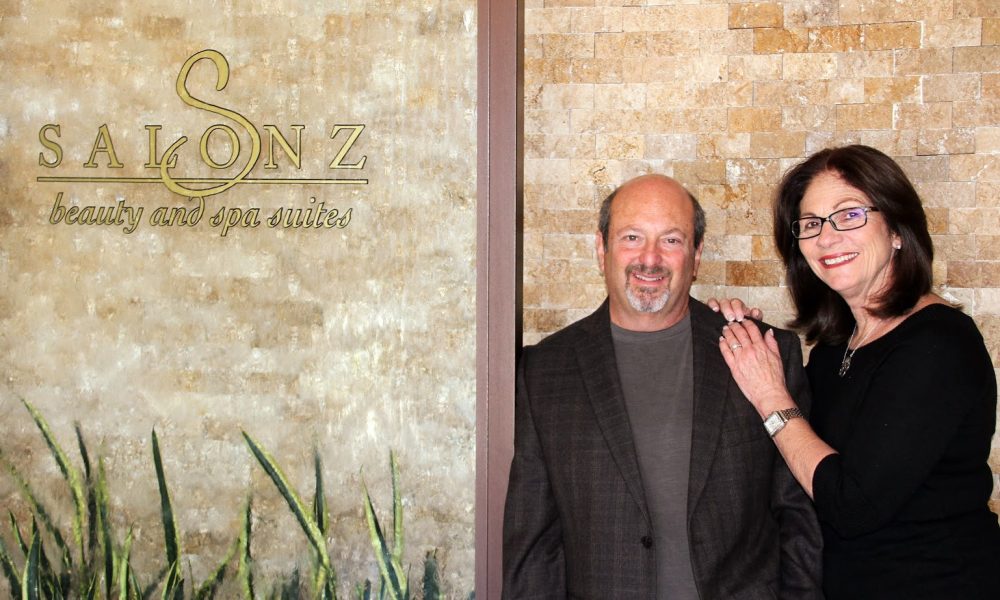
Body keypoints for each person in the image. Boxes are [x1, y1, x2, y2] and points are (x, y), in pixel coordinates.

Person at [502, 174, 823, 599]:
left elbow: (798, 517)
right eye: (632, 237)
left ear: (696, 255)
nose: (649, 258)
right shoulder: (545, 370)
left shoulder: (763, 352)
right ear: (601, 249)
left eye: (671, 240)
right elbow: (534, 548)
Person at [717, 145, 1000, 599]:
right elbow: (796, 455)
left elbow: (852, 506)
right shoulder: (836, 347)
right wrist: (741, 337)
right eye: (811, 223)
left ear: (897, 230)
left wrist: (771, 395)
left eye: (849, 215)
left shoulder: (939, 343)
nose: (827, 238)